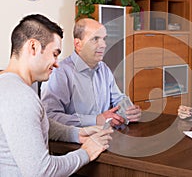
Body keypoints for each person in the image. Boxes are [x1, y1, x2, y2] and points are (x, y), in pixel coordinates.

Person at [0, 14, 113, 176]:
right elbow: (43, 172)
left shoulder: (8, 85)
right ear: (33, 47)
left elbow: (36, 123)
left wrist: (77, 133)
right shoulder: (21, 97)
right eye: (54, 54)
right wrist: (86, 152)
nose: (57, 63)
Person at [41, 18, 141, 127]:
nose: (103, 45)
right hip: (75, 141)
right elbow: (50, 117)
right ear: (78, 44)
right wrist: (96, 120)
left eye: (104, 39)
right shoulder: (59, 72)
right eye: (95, 39)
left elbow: (118, 99)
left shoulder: (104, 69)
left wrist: (129, 110)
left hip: (106, 136)